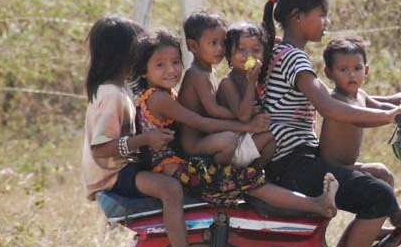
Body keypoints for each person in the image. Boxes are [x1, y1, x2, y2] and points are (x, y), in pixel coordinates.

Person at [261, 0, 401, 247]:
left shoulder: (283, 53)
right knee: (378, 197)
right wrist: (388, 116)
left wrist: (393, 101)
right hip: (292, 164)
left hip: (297, 159)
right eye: (322, 14)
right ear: (299, 17)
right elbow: (330, 106)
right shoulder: (294, 60)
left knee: (379, 175)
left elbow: (347, 96)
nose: (326, 22)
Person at [80, 15, 216, 247]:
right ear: (125, 53)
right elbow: (101, 148)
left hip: (122, 170)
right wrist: (145, 140)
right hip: (112, 175)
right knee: (170, 190)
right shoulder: (111, 94)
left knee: (171, 222)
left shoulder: (119, 91)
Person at [131, 28, 338, 216]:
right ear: (143, 70)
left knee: (253, 167)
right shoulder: (160, 97)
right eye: (160, 65)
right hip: (179, 171)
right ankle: (317, 205)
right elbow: (202, 123)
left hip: (184, 165)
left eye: (176, 62)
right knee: (251, 183)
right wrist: (246, 126)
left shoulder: (168, 93)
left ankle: (250, 177)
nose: (171, 70)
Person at [319, 35, 401, 228]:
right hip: (331, 170)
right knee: (379, 172)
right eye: (343, 70)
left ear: (366, 70)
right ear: (329, 73)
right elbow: (363, 119)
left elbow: (380, 106)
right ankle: (396, 216)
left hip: (346, 165)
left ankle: (375, 226)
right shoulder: (338, 101)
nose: (351, 75)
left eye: (357, 68)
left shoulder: (359, 95)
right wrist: (392, 116)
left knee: (383, 174)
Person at [177, 11, 263, 166]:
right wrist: (244, 116)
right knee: (228, 140)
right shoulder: (196, 74)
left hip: (207, 136)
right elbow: (214, 111)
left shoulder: (210, 71)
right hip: (193, 144)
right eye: (213, 43)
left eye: (223, 43)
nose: (220, 49)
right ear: (193, 46)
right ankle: (216, 174)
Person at [214, 20, 276, 168]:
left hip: (245, 138)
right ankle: (248, 174)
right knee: (269, 136)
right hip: (231, 146)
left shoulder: (254, 78)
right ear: (229, 56)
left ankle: (253, 174)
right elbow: (243, 116)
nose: (249, 56)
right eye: (241, 50)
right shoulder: (228, 83)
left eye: (256, 50)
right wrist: (251, 82)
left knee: (273, 136)